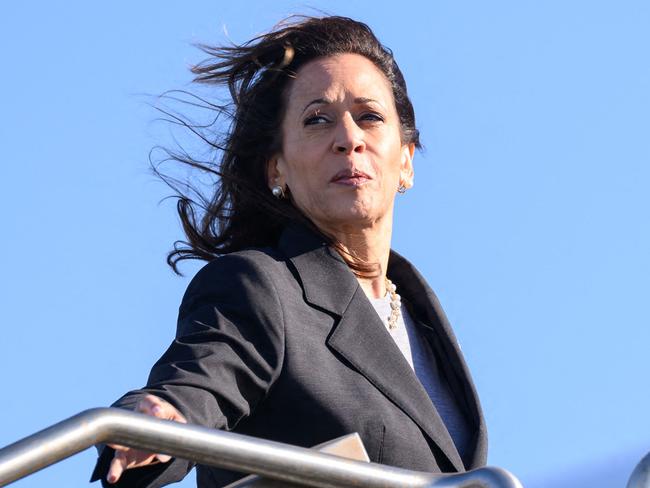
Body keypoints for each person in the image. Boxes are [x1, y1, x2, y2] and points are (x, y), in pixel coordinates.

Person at [90, 15, 487, 487]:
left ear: (406, 159)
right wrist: (159, 416)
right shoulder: (262, 288)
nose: (349, 139)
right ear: (276, 169)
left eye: (370, 117)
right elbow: (202, 379)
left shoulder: (424, 316)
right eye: (317, 120)